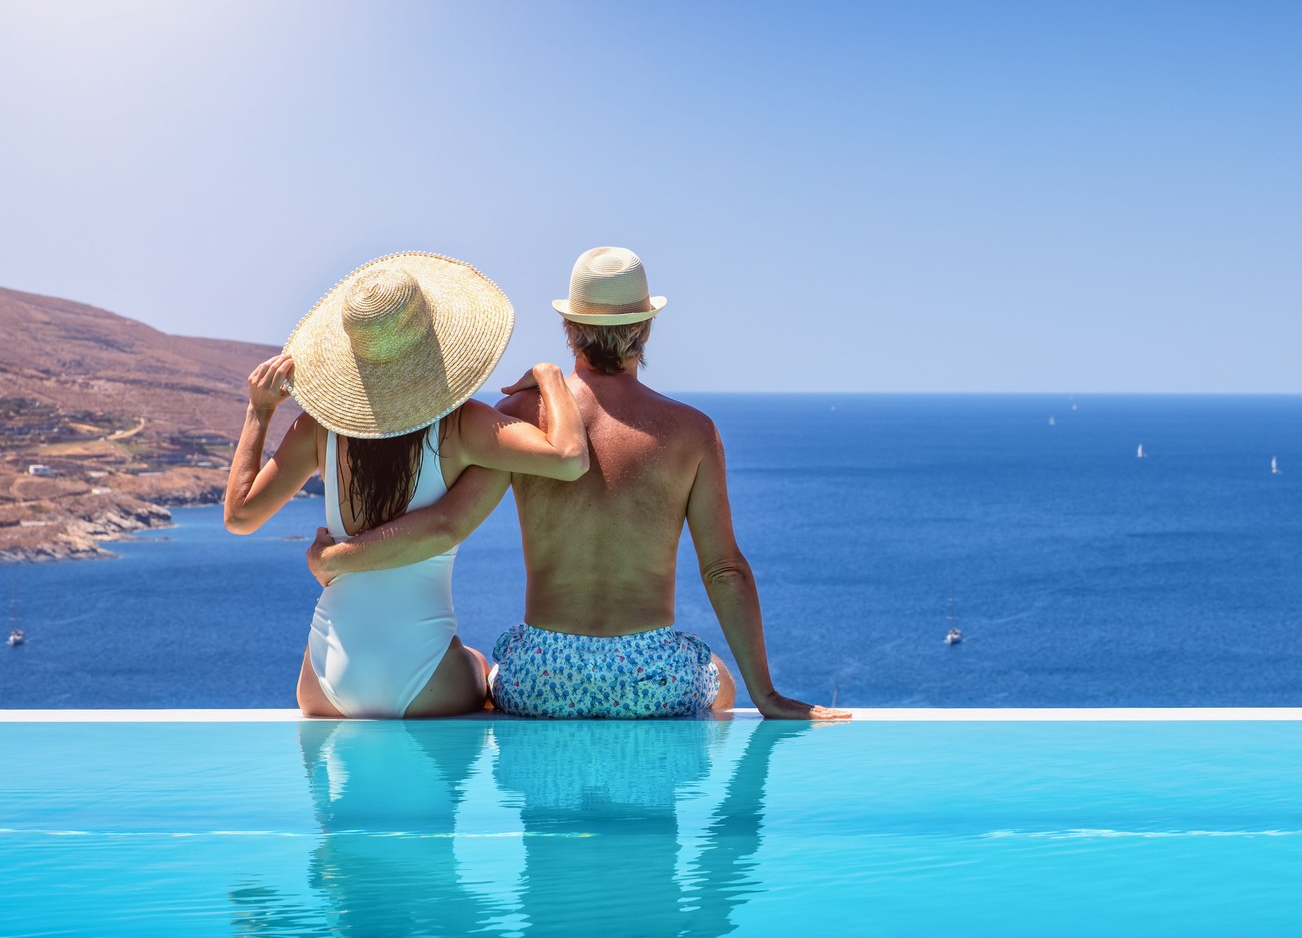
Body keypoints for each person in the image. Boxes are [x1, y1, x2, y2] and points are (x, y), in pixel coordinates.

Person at [307, 246, 848, 722]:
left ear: (570, 329)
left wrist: (342, 555)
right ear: (644, 329)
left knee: (488, 675)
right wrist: (768, 695)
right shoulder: (692, 432)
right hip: (650, 680)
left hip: (541, 681)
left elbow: (448, 525)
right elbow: (725, 569)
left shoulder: (520, 415)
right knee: (721, 686)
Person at [224, 252, 590, 717]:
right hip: (423, 679)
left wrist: (259, 411)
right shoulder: (461, 425)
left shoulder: (320, 430)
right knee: (481, 667)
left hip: (323, 678)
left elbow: (239, 516)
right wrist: (550, 377)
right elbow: (569, 458)